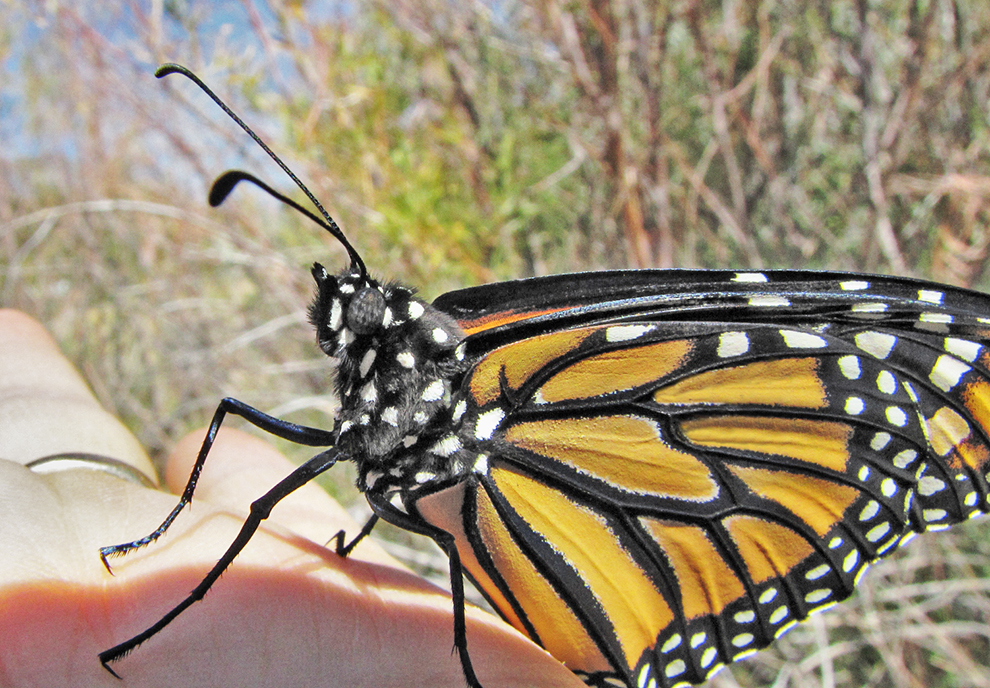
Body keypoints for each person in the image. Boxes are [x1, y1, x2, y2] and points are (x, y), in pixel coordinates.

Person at [0, 309, 581, 687]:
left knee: (262, 504)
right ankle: (173, 540)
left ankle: (471, 675)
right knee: (237, 430)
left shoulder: (437, 354)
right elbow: (388, 463)